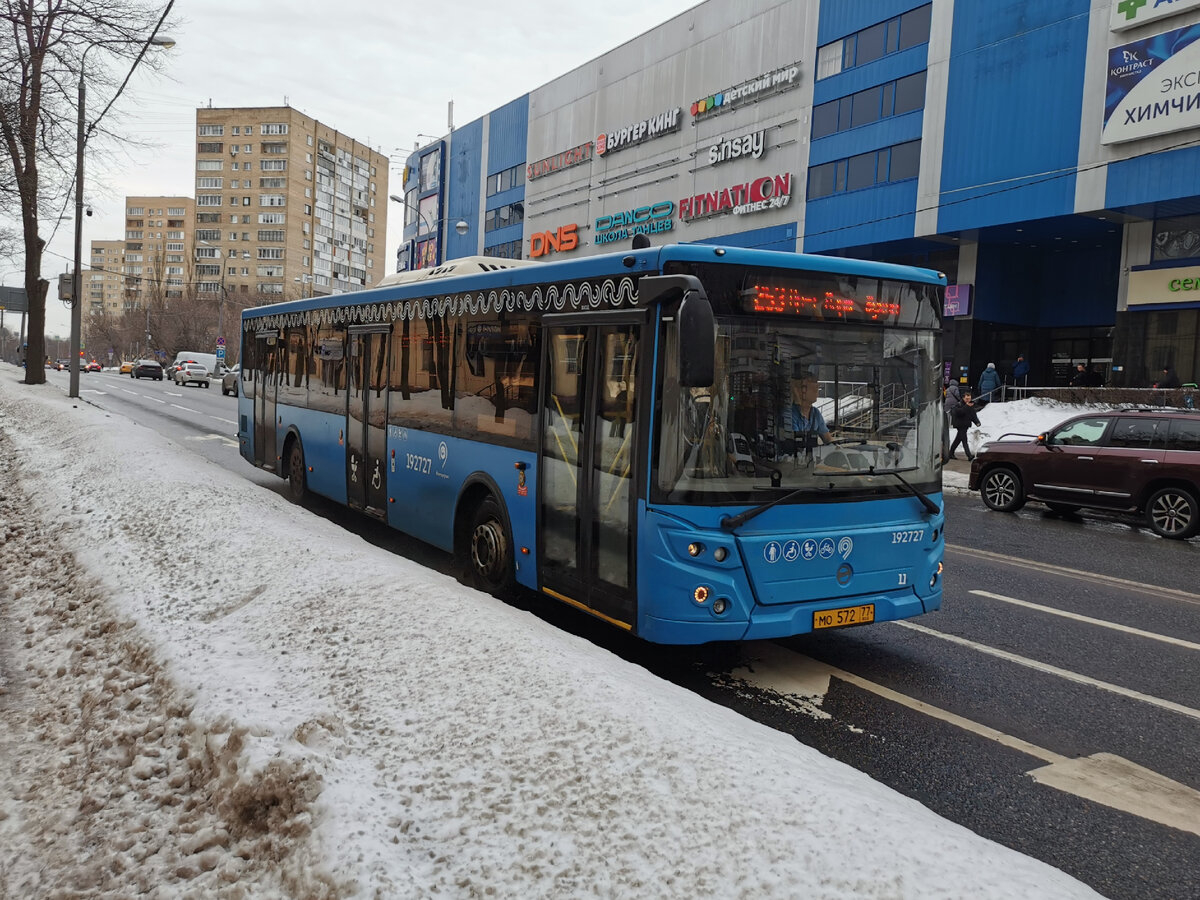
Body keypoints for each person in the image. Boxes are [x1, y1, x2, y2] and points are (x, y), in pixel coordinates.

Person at [787, 372, 832, 456]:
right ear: (800, 391)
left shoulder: (815, 413)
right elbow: (797, 445)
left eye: (817, 387)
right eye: (813, 388)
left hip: (811, 462)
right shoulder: (789, 415)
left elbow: (828, 440)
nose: (817, 391)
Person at [946, 391, 981, 461]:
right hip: (960, 425)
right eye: (967, 399)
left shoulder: (970, 405)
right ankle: (969, 455)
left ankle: (951, 453)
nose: (968, 400)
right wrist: (967, 406)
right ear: (963, 398)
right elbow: (959, 412)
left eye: (969, 398)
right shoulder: (959, 404)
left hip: (966, 425)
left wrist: (977, 422)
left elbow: (973, 414)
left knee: (958, 440)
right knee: (964, 440)